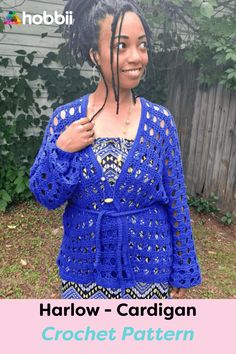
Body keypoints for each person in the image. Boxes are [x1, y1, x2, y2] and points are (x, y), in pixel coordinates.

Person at [29, 0, 201, 299]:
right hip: (84, 273)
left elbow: (177, 200)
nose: (137, 57)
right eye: (121, 46)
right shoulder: (66, 120)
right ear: (95, 54)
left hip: (149, 271)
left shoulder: (159, 123)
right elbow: (46, 197)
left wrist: (183, 267)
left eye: (142, 45)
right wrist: (62, 150)